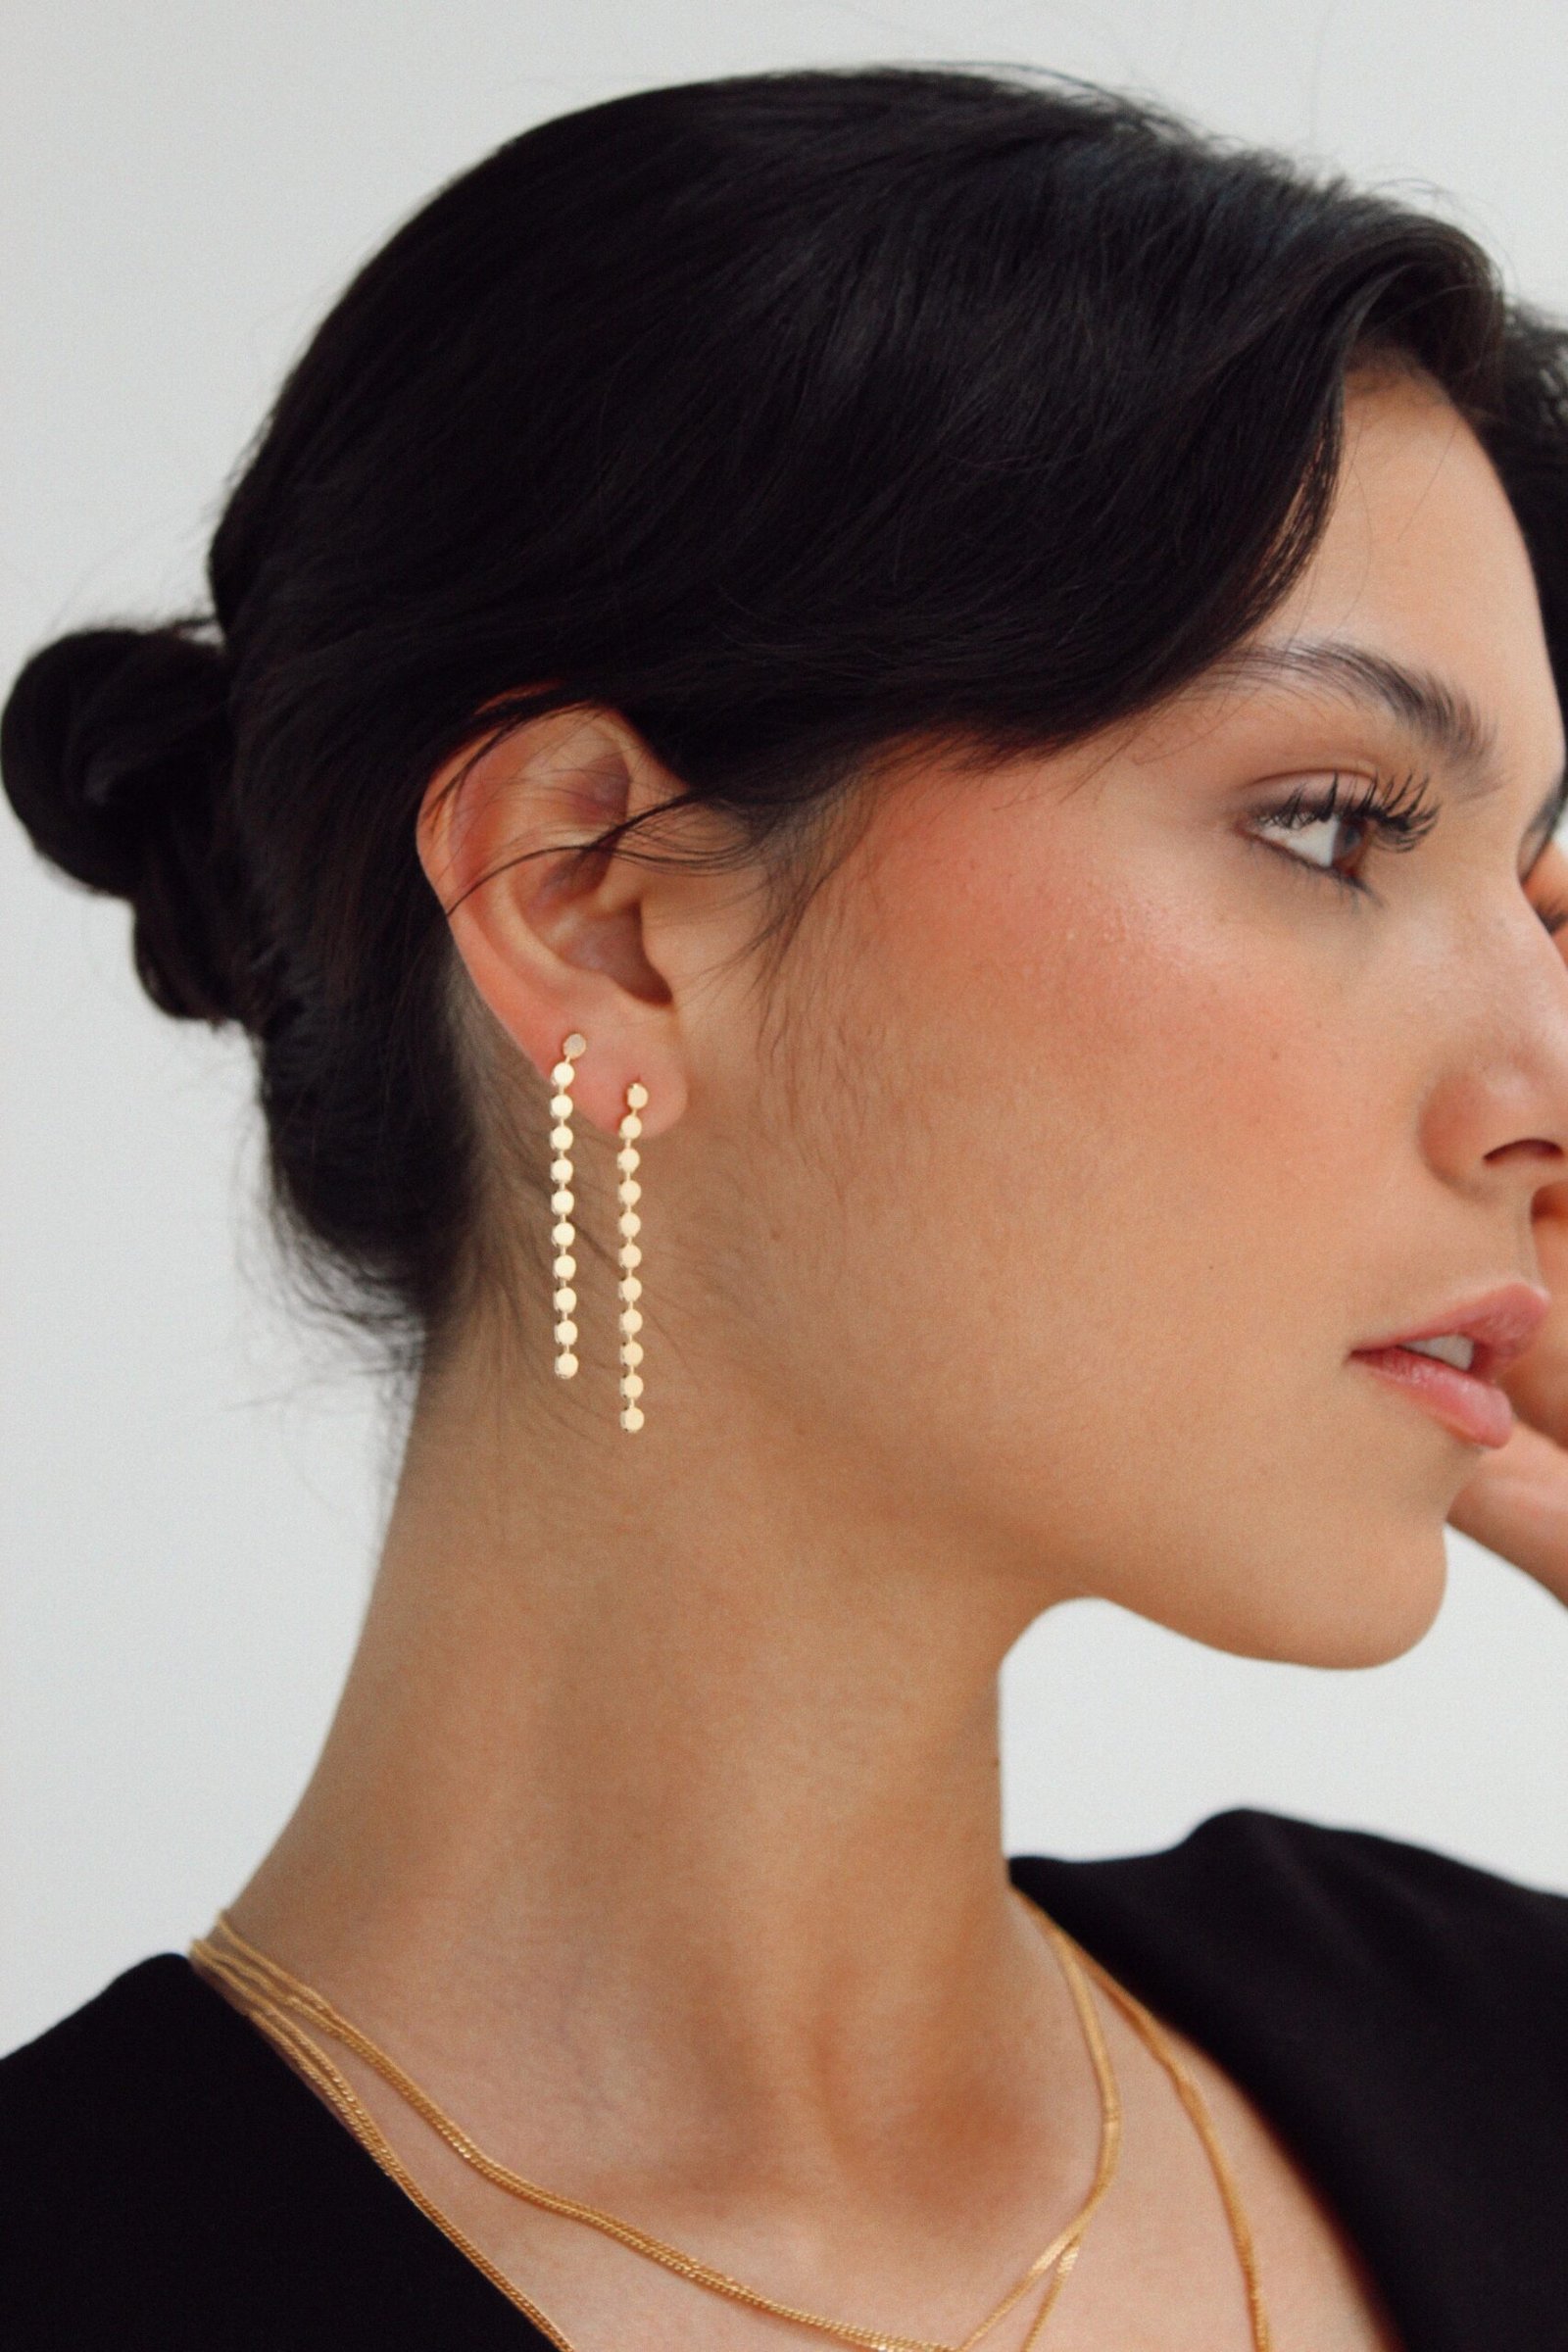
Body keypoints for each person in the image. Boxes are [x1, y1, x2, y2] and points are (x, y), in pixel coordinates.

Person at [4, 60, 1568, 2352]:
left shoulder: (1497, 2064)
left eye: (1532, 890)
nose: (1543, 1087)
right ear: (600, 903)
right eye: (1330, 828)